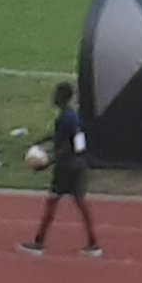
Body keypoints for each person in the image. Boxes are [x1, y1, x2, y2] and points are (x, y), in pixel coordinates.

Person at [18, 82, 101, 258]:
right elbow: (75, 142)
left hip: (65, 168)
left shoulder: (63, 118)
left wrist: (48, 162)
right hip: (79, 165)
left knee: (52, 203)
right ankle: (93, 244)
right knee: (81, 203)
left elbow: (63, 146)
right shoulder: (74, 117)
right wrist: (42, 140)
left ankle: (38, 243)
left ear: (61, 97)